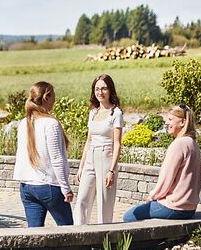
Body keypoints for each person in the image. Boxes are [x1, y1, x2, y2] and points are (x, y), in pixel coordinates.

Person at [123, 104, 201, 222]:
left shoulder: (178, 144)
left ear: (182, 122)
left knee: (130, 216)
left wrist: (152, 196)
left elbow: (166, 179)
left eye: (170, 119)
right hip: (190, 209)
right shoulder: (193, 143)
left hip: (174, 207)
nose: (167, 123)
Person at [13, 81, 74, 227]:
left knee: (34, 234)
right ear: (46, 97)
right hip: (48, 187)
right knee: (68, 230)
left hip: (27, 187)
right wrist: (66, 188)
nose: (55, 99)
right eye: (53, 95)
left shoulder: (23, 123)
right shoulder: (50, 124)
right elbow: (57, 159)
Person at [75, 74, 123, 225]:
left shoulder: (116, 113)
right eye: (97, 89)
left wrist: (112, 170)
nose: (100, 92)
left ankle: (104, 237)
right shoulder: (93, 112)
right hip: (91, 156)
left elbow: (117, 143)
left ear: (110, 90)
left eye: (104, 88)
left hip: (106, 156)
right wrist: (81, 167)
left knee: (104, 201)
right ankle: (78, 234)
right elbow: (88, 140)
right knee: (82, 199)